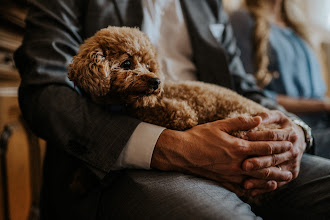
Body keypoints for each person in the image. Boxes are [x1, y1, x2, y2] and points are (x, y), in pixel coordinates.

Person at [14, 0, 330, 219]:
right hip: (120, 164)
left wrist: (296, 130)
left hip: (238, 144)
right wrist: (173, 147)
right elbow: (45, 90)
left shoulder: (206, 3)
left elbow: (244, 87)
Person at [230, 0, 330, 158]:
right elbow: (249, 94)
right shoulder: (243, 20)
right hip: (293, 127)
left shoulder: (297, 25)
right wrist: (322, 105)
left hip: (323, 121)